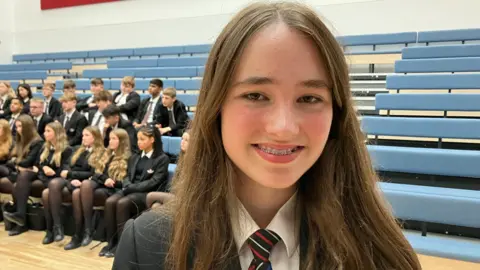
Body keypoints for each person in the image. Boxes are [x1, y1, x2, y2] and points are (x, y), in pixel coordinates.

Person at [113, 2, 421, 270]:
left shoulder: (383, 256)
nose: (283, 127)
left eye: (309, 98)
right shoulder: (147, 246)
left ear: (336, 114)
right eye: (256, 95)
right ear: (216, 107)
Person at [103, 126, 169, 258]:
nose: (138, 142)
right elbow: (126, 176)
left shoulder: (162, 159)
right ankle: (111, 242)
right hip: (130, 189)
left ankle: (123, 246)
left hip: (146, 194)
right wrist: (128, 185)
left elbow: (153, 182)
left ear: (152, 139)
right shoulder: (135, 156)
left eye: (142, 139)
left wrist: (131, 187)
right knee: (110, 202)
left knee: (122, 203)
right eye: (138, 139)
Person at [43, 126, 105, 249]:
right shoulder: (77, 149)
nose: (83, 138)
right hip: (71, 180)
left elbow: (93, 173)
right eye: (83, 135)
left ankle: (79, 235)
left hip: (86, 183)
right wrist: (69, 175)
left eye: (87, 135)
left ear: (96, 138)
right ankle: (56, 228)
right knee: (50, 187)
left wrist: (73, 175)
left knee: (75, 194)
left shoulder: (101, 152)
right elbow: (67, 166)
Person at [80, 128, 131, 257]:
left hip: (116, 189)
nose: (110, 141)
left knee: (110, 202)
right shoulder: (107, 153)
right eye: (110, 138)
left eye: (114, 138)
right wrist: (105, 179)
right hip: (105, 186)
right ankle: (88, 230)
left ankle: (113, 242)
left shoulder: (129, 157)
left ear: (122, 141)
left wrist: (110, 181)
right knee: (84, 186)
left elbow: (124, 181)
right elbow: (96, 173)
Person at [0, 115, 43, 236]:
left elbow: (28, 162)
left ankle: (20, 217)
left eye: (20, 126)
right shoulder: (19, 140)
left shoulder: (37, 141)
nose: (17, 129)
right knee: (15, 185)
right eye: (17, 126)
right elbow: (10, 160)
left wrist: (16, 162)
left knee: (22, 177)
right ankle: (20, 221)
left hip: (35, 172)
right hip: (19, 172)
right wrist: (17, 163)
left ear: (27, 127)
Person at [145, 129, 189, 208]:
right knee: (156, 206)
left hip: (185, 199)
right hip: (175, 195)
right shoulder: (181, 160)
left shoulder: (194, 164)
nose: (182, 142)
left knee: (150, 196)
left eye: (187, 140)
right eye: (182, 139)